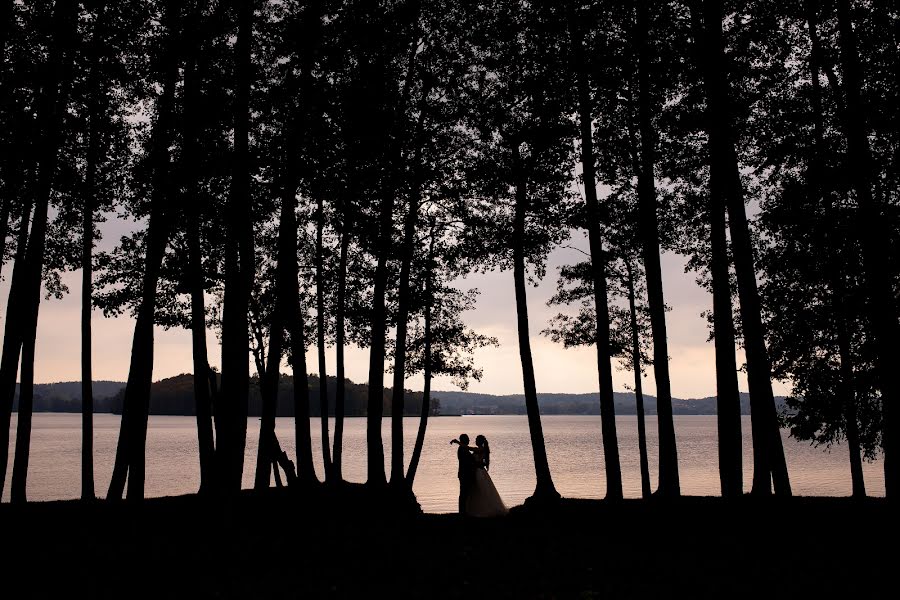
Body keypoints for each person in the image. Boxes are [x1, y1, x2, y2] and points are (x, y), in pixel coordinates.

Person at [466, 435, 508, 517]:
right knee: (478, 490)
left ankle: (485, 509)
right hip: (478, 470)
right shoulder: (481, 449)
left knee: (482, 489)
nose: (475, 441)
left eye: (477, 440)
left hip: (479, 471)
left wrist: (457, 443)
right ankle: (477, 509)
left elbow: (470, 449)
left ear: (480, 441)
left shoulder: (481, 449)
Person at [451, 434, 476, 516]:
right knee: (463, 493)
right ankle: (462, 511)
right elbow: (467, 461)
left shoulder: (464, 448)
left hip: (464, 473)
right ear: (464, 440)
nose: (469, 440)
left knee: (465, 493)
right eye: (467, 439)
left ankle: (465, 510)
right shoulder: (462, 449)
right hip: (464, 473)